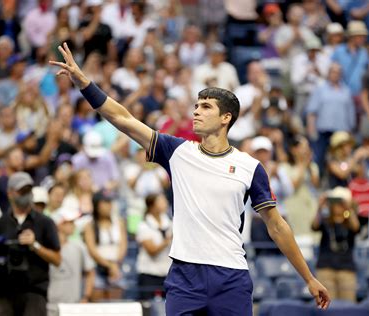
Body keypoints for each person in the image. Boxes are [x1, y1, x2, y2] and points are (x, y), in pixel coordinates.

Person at [50, 42, 330, 314]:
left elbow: (277, 226)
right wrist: (84, 83)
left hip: (231, 276)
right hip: (185, 275)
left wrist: (308, 277)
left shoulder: (250, 166)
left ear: (226, 118)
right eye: (196, 105)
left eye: (206, 107)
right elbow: (123, 119)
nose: (196, 111)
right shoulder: (177, 151)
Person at [0, 172, 61, 316]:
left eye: (28, 190)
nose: (26, 195)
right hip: (1, 290)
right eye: (21, 191)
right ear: (10, 193)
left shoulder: (45, 223)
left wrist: (35, 246)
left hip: (33, 291)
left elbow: (57, 259)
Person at [311, 187, 360, 302]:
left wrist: (349, 208)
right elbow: (314, 226)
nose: (338, 205)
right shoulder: (326, 220)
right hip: (325, 268)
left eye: (341, 202)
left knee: (348, 307)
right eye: (335, 202)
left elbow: (356, 227)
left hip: (346, 269)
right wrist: (320, 207)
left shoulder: (350, 221)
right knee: (327, 305)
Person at [47, 206, 95, 316]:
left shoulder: (79, 247)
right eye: (69, 222)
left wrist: (86, 297)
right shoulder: (46, 249)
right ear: (59, 225)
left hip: (73, 307)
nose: (74, 225)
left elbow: (90, 272)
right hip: (49, 306)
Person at [136, 193, 172, 300]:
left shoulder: (170, 223)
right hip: (149, 274)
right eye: (161, 201)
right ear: (152, 205)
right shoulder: (143, 225)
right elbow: (152, 250)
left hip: (167, 273)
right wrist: (168, 240)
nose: (165, 203)